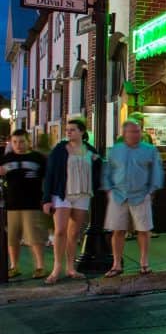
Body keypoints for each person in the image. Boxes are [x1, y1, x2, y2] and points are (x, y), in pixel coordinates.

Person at [41, 118, 102, 284]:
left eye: (73, 129)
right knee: (60, 231)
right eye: (67, 130)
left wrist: (94, 184)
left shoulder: (89, 150)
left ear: (82, 132)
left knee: (74, 233)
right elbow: (50, 173)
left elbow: (98, 168)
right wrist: (47, 198)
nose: (69, 132)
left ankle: (70, 267)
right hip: (63, 194)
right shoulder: (60, 149)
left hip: (82, 194)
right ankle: (56, 268)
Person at [103, 119, 164, 277]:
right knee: (118, 230)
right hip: (118, 195)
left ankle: (144, 263)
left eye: (138, 131)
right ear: (124, 134)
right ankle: (116, 264)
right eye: (132, 131)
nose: (136, 134)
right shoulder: (115, 150)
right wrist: (109, 189)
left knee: (143, 230)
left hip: (141, 195)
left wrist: (151, 191)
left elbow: (156, 171)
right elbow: (107, 171)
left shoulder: (149, 150)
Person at [0, 130, 47, 279]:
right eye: (15, 142)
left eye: (21, 141)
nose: (18, 145)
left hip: (32, 204)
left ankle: (40, 267)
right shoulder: (6, 159)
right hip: (12, 204)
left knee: (34, 237)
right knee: (12, 238)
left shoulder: (38, 158)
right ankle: (14, 266)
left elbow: (47, 178)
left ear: (28, 141)